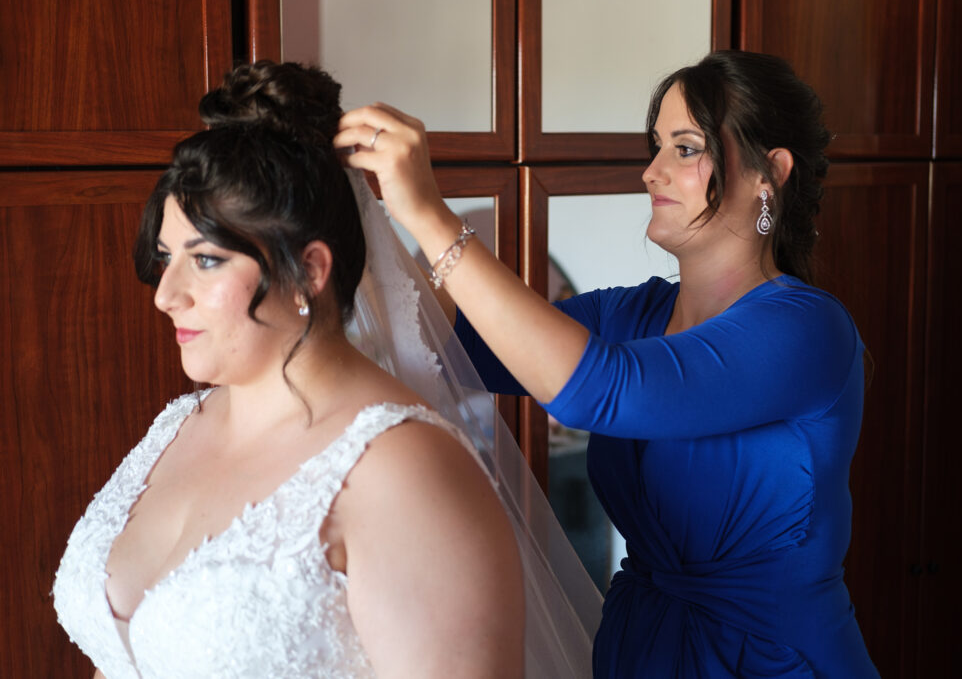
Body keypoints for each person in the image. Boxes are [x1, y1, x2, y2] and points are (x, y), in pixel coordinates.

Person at [336, 50, 880, 677]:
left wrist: (430, 214)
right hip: (636, 648)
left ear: (770, 173)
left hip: (771, 661)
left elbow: (599, 389)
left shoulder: (807, 328)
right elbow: (447, 345)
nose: (651, 172)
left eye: (685, 148)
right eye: (656, 147)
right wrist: (352, 210)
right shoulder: (629, 315)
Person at [53, 61, 600, 678]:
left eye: (205, 261)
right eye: (165, 258)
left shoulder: (401, 470)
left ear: (309, 271)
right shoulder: (174, 429)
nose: (165, 295)